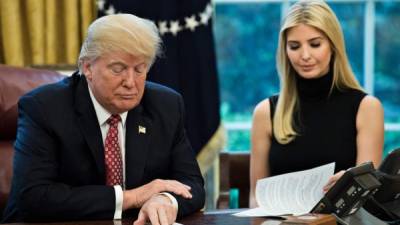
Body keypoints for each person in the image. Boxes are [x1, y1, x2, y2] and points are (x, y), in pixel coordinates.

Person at [2, 14, 205, 224]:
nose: (130, 82)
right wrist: (132, 198)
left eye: (139, 69)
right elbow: (34, 197)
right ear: (88, 67)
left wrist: (166, 200)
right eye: (118, 69)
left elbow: (192, 185)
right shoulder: (44, 108)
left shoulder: (166, 106)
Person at [249, 0, 384, 208]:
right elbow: (255, 199)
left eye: (315, 44)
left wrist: (349, 186)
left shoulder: (366, 108)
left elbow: (368, 200)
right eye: (294, 46)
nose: (304, 56)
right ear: (285, 50)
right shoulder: (265, 112)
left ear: (333, 45)